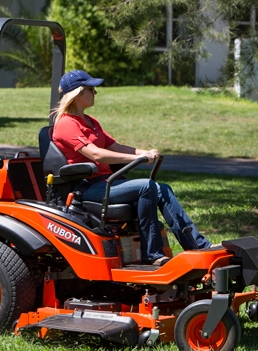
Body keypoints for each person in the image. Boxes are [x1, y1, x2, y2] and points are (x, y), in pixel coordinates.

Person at [52, 70, 212, 266]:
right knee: (146, 186)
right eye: (90, 89)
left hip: (106, 183)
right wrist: (137, 158)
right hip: (87, 189)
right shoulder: (66, 124)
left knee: (162, 188)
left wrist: (143, 152)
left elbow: (115, 146)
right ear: (77, 93)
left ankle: (197, 245)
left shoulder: (91, 122)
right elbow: (96, 154)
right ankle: (152, 254)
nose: (95, 93)